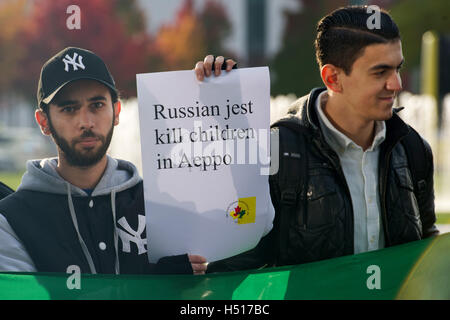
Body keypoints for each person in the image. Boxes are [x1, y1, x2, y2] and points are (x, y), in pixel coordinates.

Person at [196, 5, 439, 273]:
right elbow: (234, 265)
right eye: (380, 72)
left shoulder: (412, 148)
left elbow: (427, 256)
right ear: (333, 78)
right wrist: (218, 109)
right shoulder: (279, 152)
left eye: (397, 68)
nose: (396, 84)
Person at [0, 47, 209, 275]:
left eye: (97, 105)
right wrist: (152, 288)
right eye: (69, 109)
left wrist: (227, 93)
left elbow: (231, 261)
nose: (86, 122)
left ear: (116, 111)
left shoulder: (158, 203)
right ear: (43, 121)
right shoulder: (12, 220)